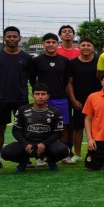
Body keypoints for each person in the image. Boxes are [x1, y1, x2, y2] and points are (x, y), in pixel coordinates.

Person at [0, 26, 34, 170]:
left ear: (19, 38)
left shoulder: (26, 57)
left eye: (14, 36)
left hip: (21, 98)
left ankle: (25, 158)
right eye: (9, 36)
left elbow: (27, 75)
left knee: (24, 130)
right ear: (4, 38)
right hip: (2, 98)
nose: (12, 39)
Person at [2, 82, 70, 172]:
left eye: (43, 94)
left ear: (48, 96)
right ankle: (24, 161)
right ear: (32, 96)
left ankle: (51, 161)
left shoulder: (55, 112)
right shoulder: (22, 110)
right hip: (27, 144)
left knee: (64, 150)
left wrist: (44, 144)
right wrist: (25, 144)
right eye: (37, 94)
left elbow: (58, 133)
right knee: (5, 152)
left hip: (47, 145)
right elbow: (16, 131)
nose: (40, 97)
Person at [30, 32, 72, 163]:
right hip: (44, 100)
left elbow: (66, 80)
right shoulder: (37, 61)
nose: (51, 44)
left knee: (63, 127)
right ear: (43, 44)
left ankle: (63, 155)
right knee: (42, 127)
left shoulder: (64, 61)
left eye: (53, 42)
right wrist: (41, 94)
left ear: (57, 44)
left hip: (61, 98)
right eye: (48, 42)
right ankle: (40, 156)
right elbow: (32, 79)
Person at [65, 38, 100, 165]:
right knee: (78, 128)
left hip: (96, 101)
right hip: (79, 101)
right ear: (79, 47)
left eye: (88, 45)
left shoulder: (99, 62)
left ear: (93, 48)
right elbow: (69, 83)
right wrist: (73, 99)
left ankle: (98, 153)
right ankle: (77, 154)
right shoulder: (72, 63)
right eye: (83, 45)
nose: (86, 47)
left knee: (97, 128)